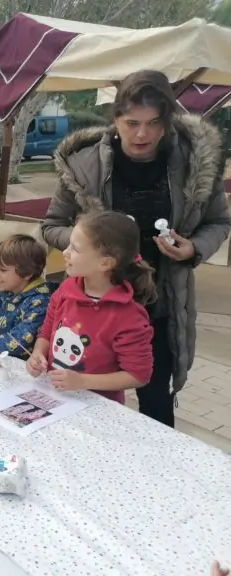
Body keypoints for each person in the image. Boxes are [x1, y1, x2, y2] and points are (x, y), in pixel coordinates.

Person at [42, 70, 231, 427]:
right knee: (79, 398)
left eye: (153, 123)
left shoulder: (197, 162)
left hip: (160, 303)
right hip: (94, 308)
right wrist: (93, 249)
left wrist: (193, 249)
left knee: (156, 401)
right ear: (115, 120)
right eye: (131, 123)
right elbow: (51, 226)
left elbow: (220, 223)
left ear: (168, 122)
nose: (142, 134)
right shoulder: (84, 164)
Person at [27, 212, 155, 404]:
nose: (65, 252)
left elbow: (138, 375)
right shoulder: (65, 290)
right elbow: (46, 333)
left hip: (96, 408)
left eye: (75, 249)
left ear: (105, 263)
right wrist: (38, 354)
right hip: (54, 398)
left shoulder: (128, 316)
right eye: (69, 244)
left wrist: (82, 381)